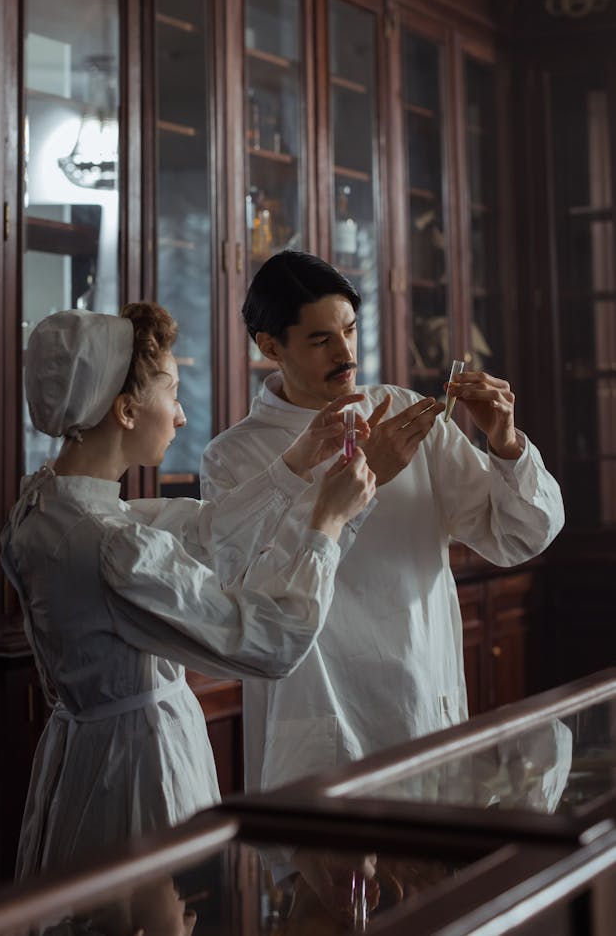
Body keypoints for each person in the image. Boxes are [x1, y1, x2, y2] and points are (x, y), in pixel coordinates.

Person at [1, 302, 376, 879]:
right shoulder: (110, 544)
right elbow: (271, 642)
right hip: (140, 773)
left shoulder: (47, 508)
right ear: (126, 410)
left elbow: (203, 531)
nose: (179, 417)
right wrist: (325, 522)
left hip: (80, 759)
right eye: (172, 393)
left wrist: (299, 460)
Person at [200, 250, 565, 795]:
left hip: (421, 702)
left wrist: (506, 444)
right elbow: (248, 601)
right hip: (317, 722)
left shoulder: (406, 413)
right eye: (321, 340)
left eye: (349, 329)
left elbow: (519, 536)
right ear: (270, 346)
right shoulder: (233, 458)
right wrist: (366, 478)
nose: (345, 353)